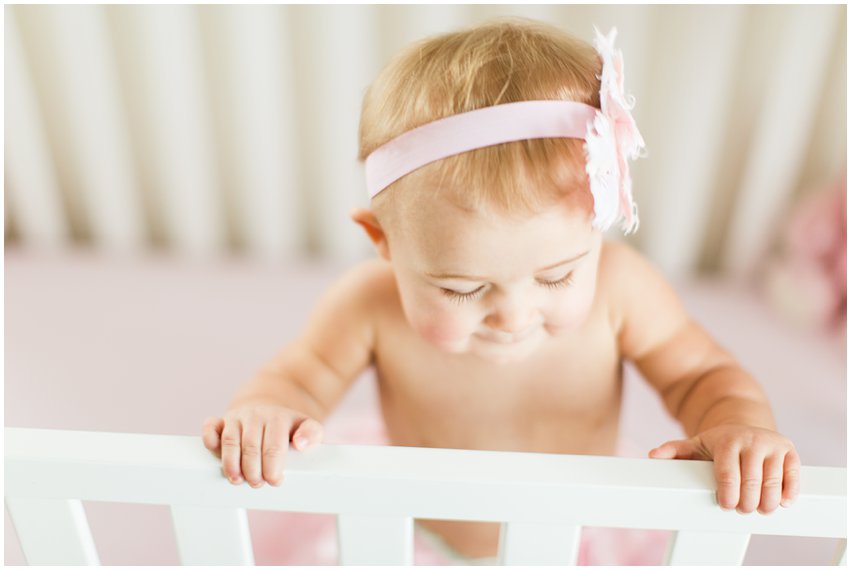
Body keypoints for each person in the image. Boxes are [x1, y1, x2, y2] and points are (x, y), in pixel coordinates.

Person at [202, 18, 800, 563]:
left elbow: (700, 376)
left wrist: (737, 423)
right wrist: (267, 413)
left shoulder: (623, 289)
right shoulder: (368, 305)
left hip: (583, 531)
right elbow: (300, 377)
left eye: (557, 276)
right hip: (416, 533)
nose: (513, 315)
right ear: (382, 239)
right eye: (463, 288)